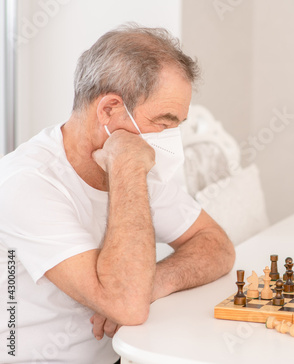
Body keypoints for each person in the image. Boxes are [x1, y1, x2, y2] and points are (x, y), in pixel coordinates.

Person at [0, 24, 235, 363]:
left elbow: (216, 244)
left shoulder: (136, 162)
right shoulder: (26, 183)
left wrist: (153, 284)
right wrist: (126, 168)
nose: (170, 139)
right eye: (164, 123)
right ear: (109, 110)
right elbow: (127, 305)